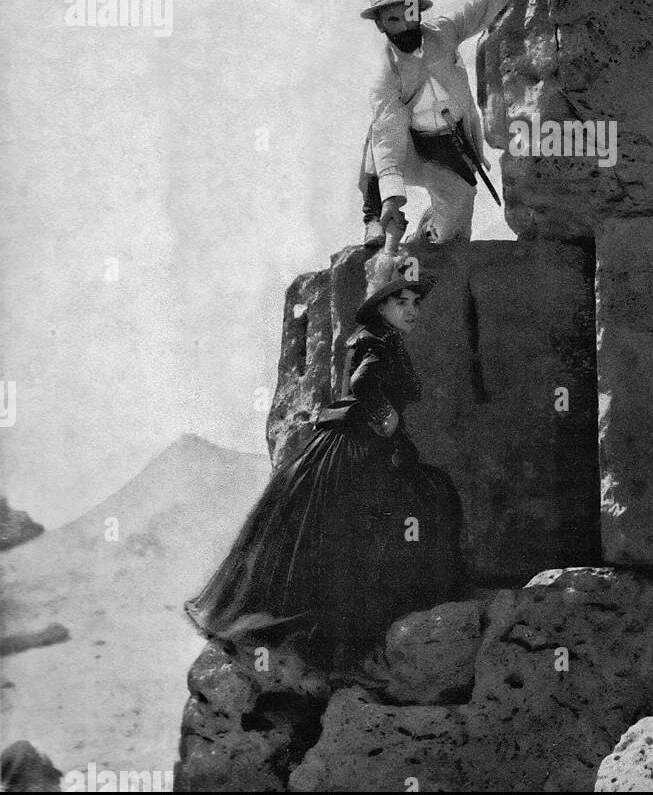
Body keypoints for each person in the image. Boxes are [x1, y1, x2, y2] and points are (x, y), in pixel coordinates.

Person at [185, 258, 464, 668]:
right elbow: (364, 382)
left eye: (415, 303)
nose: (411, 310)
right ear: (381, 307)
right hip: (359, 446)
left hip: (353, 442)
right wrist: (384, 416)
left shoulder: (381, 337)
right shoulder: (377, 341)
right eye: (401, 301)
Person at [359, 0, 536, 250]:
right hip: (412, 144)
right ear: (381, 26)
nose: (404, 25)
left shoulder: (445, 32)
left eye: (408, 14)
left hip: (449, 147)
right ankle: (371, 215)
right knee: (375, 143)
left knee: (452, 230)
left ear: (418, 12)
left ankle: (428, 232)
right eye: (393, 20)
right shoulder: (385, 73)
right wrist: (391, 202)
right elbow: (389, 132)